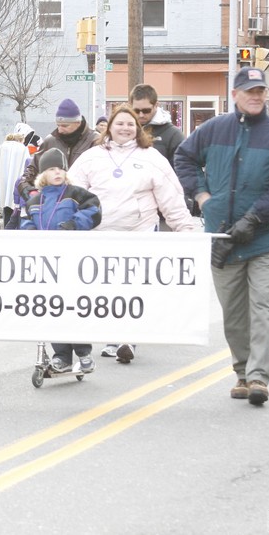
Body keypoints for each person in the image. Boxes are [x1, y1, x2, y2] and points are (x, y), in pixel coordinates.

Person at [174, 66, 269, 406]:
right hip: (222, 239)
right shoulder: (213, 129)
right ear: (235, 95)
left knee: (262, 306)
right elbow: (183, 158)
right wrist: (202, 198)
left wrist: (255, 218)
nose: (256, 96)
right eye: (249, 91)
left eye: (260, 91)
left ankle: (259, 377)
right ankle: (242, 372)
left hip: (267, 238)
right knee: (234, 313)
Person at [69, 105, 196, 363]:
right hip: (101, 233)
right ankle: (113, 336)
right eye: (120, 123)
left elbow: (171, 198)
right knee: (107, 290)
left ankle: (128, 338)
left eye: (130, 124)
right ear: (109, 128)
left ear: (137, 129)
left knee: (133, 288)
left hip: (139, 234)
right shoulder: (92, 157)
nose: (125, 128)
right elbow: (71, 193)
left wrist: (187, 231)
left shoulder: (151, 158)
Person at [20, 148, 102, 373]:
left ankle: (84, 353)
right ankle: (62, 357)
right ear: (43, 174)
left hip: (72, 259)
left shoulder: (76, 194)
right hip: (46, 262)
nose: (57, 172)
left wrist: (74, 224)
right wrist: (30, 236)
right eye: (51, 169)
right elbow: (26, 222)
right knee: (52, 308)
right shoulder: (34, 201)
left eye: (60, 168)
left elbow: (94, 210)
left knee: (73, 306)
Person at [19, 98, 99, 202]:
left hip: (84, 203)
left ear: (78, 122)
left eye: (65, 125)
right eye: (58, 125)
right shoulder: (50, 141)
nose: (60, 130)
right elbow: (32, 170)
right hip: (53, 203)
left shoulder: (95, 141)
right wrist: (25, 188)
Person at [129, 83, 184, 164]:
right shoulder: (124, 131)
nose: (141, 115)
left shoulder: (173, 135)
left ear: (156, 105)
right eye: (136, 111)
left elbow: (182, 168)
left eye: (146, 110)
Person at [0, 131, 31, 225]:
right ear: (20, 140)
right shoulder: (22, 149)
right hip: (19, 188)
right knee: (17, 215)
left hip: (4, 187)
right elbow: (28, 166)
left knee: (7, 210)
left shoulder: (1, 148)